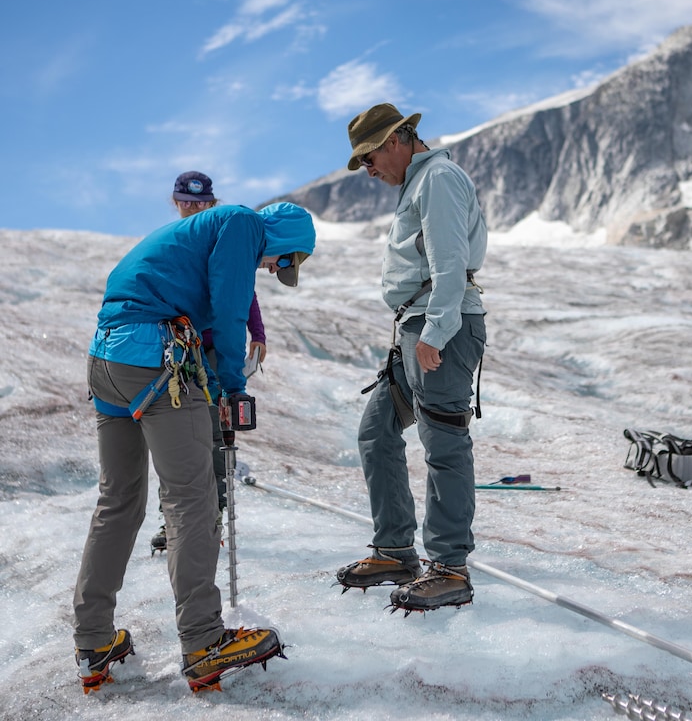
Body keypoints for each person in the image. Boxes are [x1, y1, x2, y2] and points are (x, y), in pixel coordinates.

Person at [73, 201, 316, 693]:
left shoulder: (206, 229)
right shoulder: (245, 224)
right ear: (286, 240)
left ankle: (93, 640)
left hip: (107, 360)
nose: (273, 269)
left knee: (117, 501)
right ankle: (204, 642)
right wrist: (229, 385)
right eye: (285, 261)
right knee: (191, 499)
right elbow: (229, 309)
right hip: (154, 360)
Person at [336, 103, 487, 614]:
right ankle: (397, 552)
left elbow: (451, 262)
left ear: (398, 139)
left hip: (439, 326)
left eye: (370, 157)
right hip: (416, 326)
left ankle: (450, 569)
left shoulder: (437, 179)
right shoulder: (418, 183)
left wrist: (438, 331)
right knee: (376, 431)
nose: (369, 170)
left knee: (443, 440)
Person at [149, 171, 267, 554]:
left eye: (200, 203)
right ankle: (176, 517)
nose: (193, 208)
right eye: (186, 201)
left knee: (216, 431)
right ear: (175, 201)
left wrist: (257, 333)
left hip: (213, 348)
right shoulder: (179, 244)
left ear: (211, 204)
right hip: (183, 347)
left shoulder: (220, 238)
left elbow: (242, 291)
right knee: (179, 433)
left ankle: (211, 512)